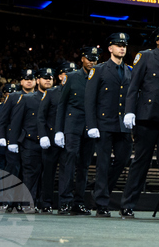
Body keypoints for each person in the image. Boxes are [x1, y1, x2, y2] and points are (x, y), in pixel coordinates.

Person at [121, 24, 159, 219]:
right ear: (157, 40)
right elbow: (133, 86)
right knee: (140, 163)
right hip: (146, 117)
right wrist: (130, 111)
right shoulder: (145, 56)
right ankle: (127, 205)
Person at [85, 32, 133, 217]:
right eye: (118, 45)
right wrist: (92, 125)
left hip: (123, 125)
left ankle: (99, 192)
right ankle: (101, 203)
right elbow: (90, 100)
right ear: (110, 48)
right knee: (103, 164)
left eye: (124, 45)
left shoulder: (130, 70)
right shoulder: (99, 70)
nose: (122, 48)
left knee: (122, 161)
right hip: (104, 123)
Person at [56, 46, 97, 216]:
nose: (91, 61)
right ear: (82, 59)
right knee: (69, 162)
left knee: (84, 166)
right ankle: (65, 202)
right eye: (88, 58)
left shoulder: (99, 77)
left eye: (94, 59)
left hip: (90, 127)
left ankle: (79, 202)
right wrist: (59, 130)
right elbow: (62, 104)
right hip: (72, 126)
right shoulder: (71, 77)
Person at [10, 68, 52, 212]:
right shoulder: (27, 98)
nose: (48, 80)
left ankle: (43, 204)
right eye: (44, 77)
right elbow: (16, 122)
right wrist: (13, 141)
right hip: (30, 141)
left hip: (50, 143)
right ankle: (27, 203)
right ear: (38, 80)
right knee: (30, 174)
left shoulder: (55, 97)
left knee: (46, 175)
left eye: (50, 78)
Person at [38, 63, 73, 213]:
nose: (69, 75)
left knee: (67, 172)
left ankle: (64, 203)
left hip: (69, 138)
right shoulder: (51, 93)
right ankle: (46, 202)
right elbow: (41, 117)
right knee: (48, 172)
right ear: (59, 76)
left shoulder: (76, 92)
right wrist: (43, 135)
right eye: (66, 73)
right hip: (51, 139)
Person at [0, 79, 24, 179]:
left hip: (23, 138)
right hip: (8, 139)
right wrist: (1, 137)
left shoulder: (24, 100)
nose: (10, 95)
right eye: (7, 93)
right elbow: (1, 122)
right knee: (11, 168)